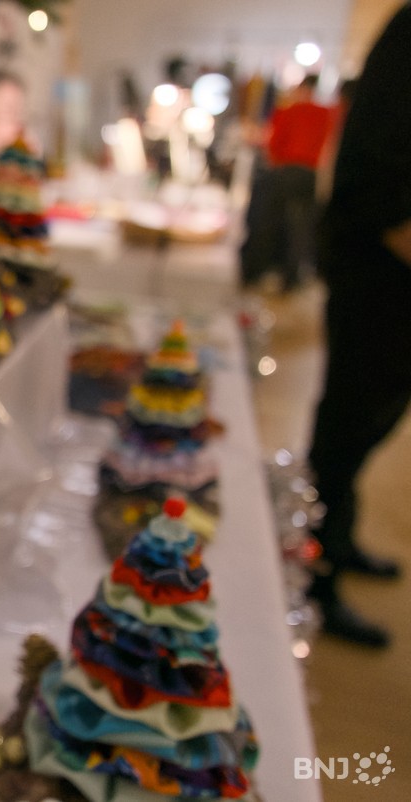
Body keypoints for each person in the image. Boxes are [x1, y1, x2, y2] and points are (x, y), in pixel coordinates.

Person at [307, 1, 411, 648]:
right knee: (347, 426)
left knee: (374, 420)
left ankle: (336, 541)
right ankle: (314, 572)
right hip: (380, 272)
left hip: (389, 272)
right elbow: (375, 173)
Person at [240, 75, 335, 292]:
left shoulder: (288, 110)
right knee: (300, 226)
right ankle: (291, 276)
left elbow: (273, 144)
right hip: (310, 175)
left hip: (286, 171)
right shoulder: (325, 113)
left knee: (270, 221)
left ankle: (258, 272)